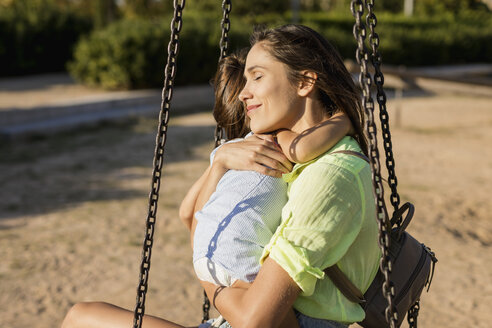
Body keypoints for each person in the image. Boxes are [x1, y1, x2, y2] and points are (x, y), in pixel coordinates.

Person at [61, 24, 380, 328]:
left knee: (83, 320)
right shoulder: (277, 147)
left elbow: (256, 321)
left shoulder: (331, 175)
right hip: (235, 310)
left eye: (257, 77)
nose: (244, 93)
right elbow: (191, 216)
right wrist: (220, 163)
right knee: (80, 316)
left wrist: (210, 277)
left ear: (305, 82)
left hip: (267, 316)